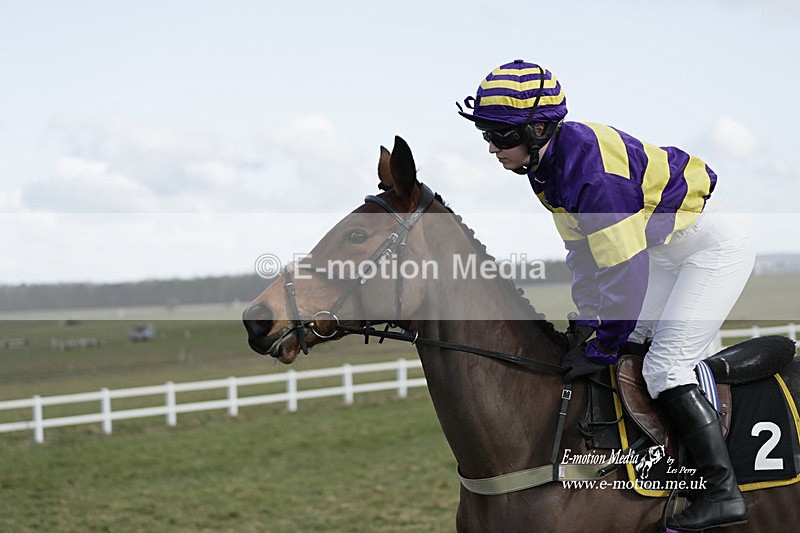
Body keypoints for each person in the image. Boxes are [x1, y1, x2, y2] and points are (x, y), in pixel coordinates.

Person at [457, 59, 754, 531]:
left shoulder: (592, 175)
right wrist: (590, 319)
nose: (492, 148)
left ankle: (721, 492)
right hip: (662, 250)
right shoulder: (545, 169)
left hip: (711, 250)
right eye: (486, 136)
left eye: (501, 136)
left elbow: (624, 269)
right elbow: (582, 253)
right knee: (627, 347)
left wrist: (604, 339)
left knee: (663, 366)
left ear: (538, 128)